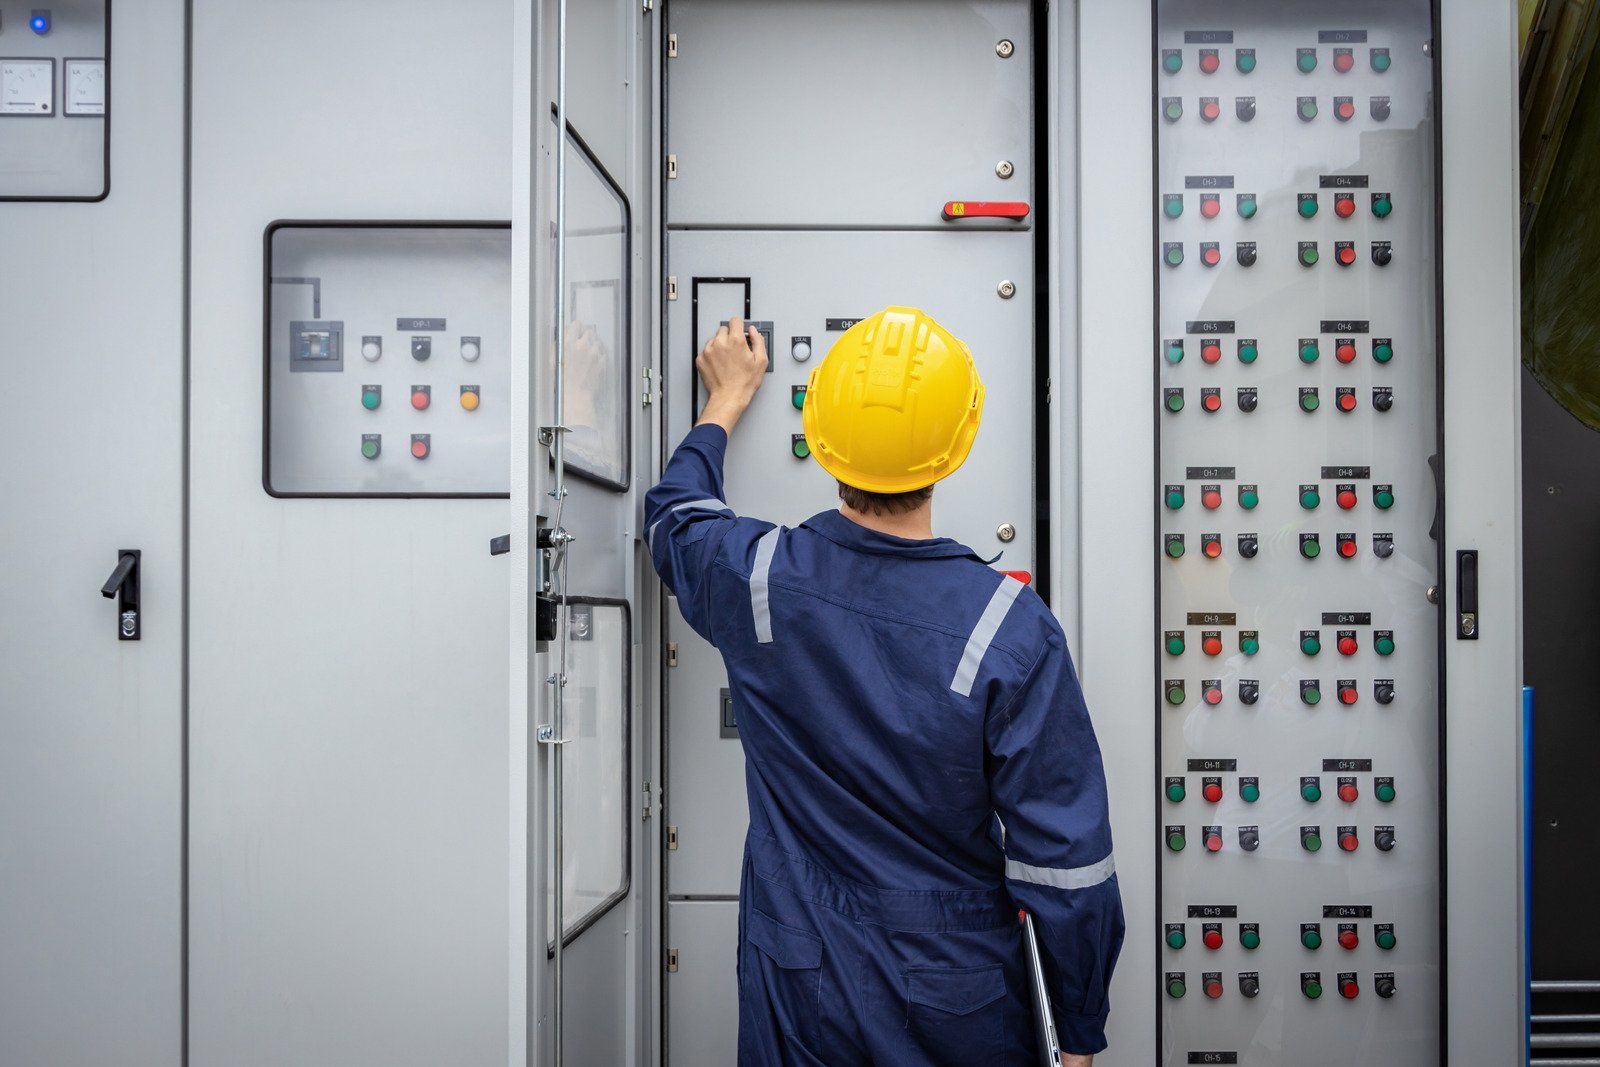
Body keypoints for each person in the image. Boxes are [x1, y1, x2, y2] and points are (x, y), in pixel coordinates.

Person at [646, 308, 1123, 1066]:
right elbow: (1066, 866)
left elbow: (673, 519)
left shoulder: (760, 579)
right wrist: (1077, 1029)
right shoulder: (1010, 627)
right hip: (956, 997)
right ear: (956, 446)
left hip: (798, 984)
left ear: (823, 436)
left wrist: (724, 402)